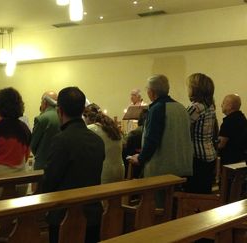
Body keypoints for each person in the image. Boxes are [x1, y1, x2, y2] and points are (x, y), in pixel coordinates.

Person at [43, 87, 105, 243]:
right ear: (83, 110)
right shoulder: (97, 140)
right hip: (92, 214)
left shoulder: (61, 140)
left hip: (65, 215)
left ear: (59, 111)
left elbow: (50, 180)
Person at [128, 75, 193, 204]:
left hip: (162, 169)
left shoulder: (157, 109)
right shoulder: (181, 108)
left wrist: (140, 158)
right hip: (182, 166)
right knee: (173, 206)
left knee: (157, 207)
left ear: (151, 92)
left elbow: (152, 139)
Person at [0, 87, 31, 202]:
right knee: (16, 216)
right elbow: (26, 156)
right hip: (20, 180)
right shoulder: (25, 128)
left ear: (0, 108)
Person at [185, 73, 217, 194]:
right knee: (204, 193)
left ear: (195, 89)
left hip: (197, 156)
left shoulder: (196, 107)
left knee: (193, 194)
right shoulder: (210, 106)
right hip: (210, 154)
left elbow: (183, 128)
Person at [84, 105, 124, 184]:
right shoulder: (112, 127)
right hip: (120, 171)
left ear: (87, 117)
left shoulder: (91, 129)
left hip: (104, 173)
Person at [30, 91, 60, 170]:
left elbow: (33, 145)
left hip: (43, 164)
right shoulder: (63, 116)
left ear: (45, 102)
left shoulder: (41, 118)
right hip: (59, 164)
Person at [218, 94, 247, 164]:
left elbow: (220, 144)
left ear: (230, 106)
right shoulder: (242, 118)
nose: (221, 105)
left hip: (230, 162)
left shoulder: (228, 121)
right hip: (242, 159)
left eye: (223, 103)